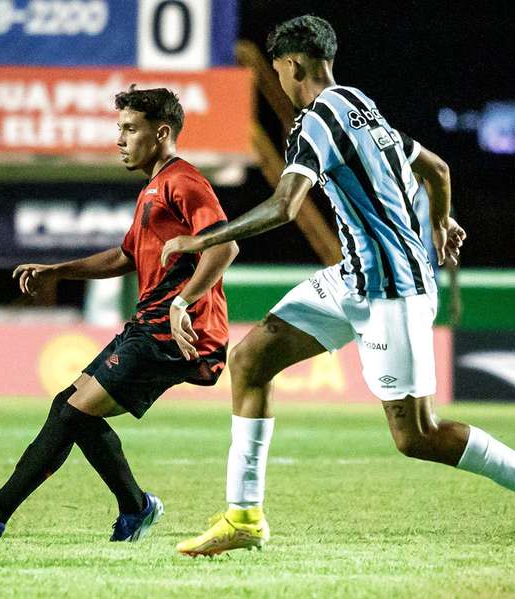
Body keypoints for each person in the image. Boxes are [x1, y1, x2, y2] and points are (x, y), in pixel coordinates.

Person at [162, 15, 515, 557]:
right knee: (251, 360)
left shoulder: (317, 123)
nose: (278, 80)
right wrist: (441, 222)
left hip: (391, 290)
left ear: (292, 65)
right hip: (353, 278)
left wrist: (199, 240)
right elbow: (438, 169)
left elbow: (284, 207)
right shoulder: (362, 107)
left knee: (417, 436)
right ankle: (243, 517)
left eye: (278, 71)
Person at [0, 86, 239, 543]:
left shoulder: (184, 180)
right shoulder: (154, 188)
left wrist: (181, 302)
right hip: (149, 326)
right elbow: (124, 257)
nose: (120, 139)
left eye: (130, 129)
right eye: (119, 129)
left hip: (175, 334)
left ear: (162, 133)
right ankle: (136, 508)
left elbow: (225, 244)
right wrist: (59, 272)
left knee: (73, 414)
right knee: (68, 407)